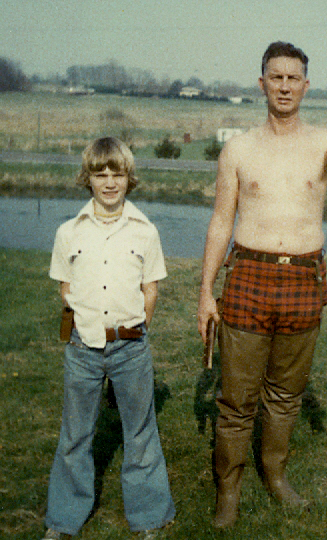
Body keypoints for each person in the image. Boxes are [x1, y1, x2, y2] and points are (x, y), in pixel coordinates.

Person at [196, 41, 327, 528]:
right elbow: (220, 222)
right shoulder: (238, 148)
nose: (285, 86)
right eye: (276, 77)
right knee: (236, 399)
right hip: (247, 276)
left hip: (303, 279)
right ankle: (229, 491)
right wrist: (206, 291)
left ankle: (275, 476)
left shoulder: (324, 141)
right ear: (262, 83)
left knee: (286, 394)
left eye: (294, 78)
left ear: (306, 86)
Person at [42, 137, 175, 540]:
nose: (109, 182)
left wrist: (132, 333)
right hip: (82, 350)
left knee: (140, 433)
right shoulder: (68, 232)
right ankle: (64, 519)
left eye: (117, 174)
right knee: (74, 436)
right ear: (88, 178)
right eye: (100, 174)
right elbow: (65, 289)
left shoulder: (145, 231)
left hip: (130, 348)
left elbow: (150, 291)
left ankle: (149, 516)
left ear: (129, 178)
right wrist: (82, 329)